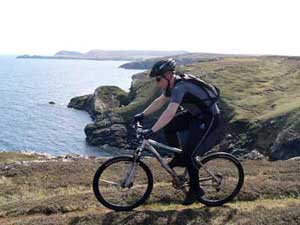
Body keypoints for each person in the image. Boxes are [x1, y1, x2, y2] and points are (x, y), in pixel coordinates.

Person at [134, 58, 224, 205]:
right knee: (170, 127)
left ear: (168, 75)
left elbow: (169, 112)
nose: (157, 82)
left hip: (209, 118)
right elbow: (160, 101)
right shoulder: (172, 85)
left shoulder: (180, 88)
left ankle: (195, 190)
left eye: (158, 79)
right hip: (196, 115)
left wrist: (152, 130)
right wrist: (142, 114)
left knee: (189, 154)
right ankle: (179, 157)